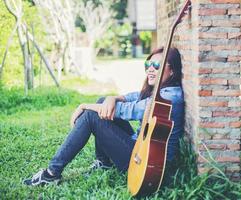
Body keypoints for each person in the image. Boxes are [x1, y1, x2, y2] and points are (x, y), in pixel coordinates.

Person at [23, 47, 184, 186]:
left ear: (172, 71)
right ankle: (104, 163)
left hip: (146, 162)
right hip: (140, 148)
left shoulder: (169, 98)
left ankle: (51, 174)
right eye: (148, 64)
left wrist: (83, 106)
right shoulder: (162, 90)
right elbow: (132, 96)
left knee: (91, 116)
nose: (150, 69)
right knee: (102, 102)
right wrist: (111, 98)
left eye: (156, 65)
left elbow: (128, 110)